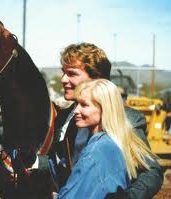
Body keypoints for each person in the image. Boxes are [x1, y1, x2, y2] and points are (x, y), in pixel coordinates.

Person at [35, 42, 163, 199]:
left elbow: (151, 171)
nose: (63, 79)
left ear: (96, 78)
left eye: (72, 74)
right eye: (63, 72)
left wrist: (129, 197)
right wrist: (32, 164)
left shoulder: (128, 119)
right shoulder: (64, 117)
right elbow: (58, 162)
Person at [55, 78, 157, 198]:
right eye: (77, 104)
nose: (76, 110)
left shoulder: (95, 153)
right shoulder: (115, 142)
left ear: (105, 109)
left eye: (84, 105)